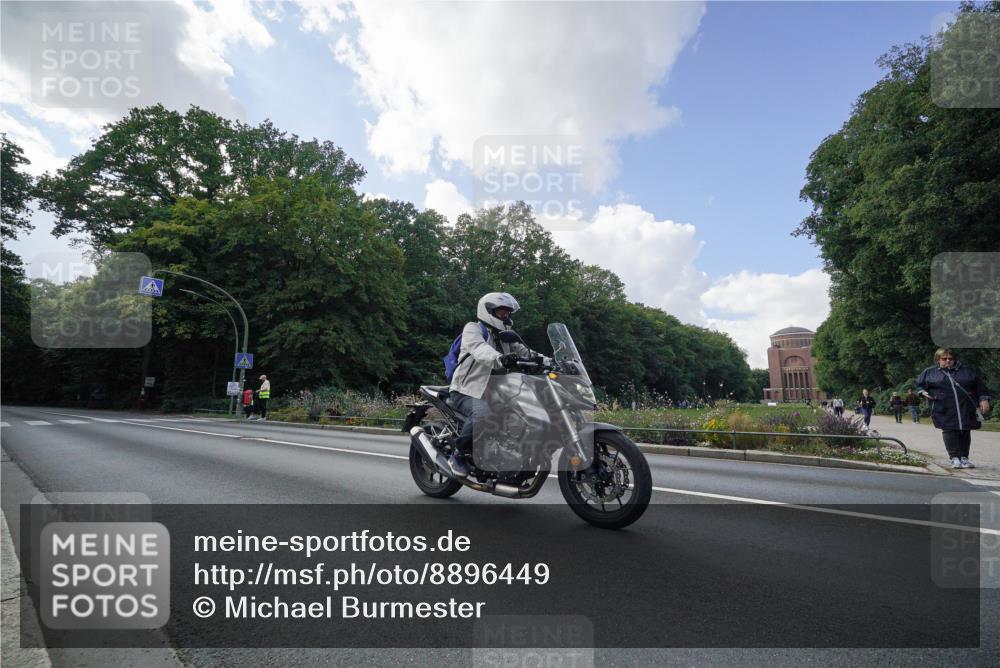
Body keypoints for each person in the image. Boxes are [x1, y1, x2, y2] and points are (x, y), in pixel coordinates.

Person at [447, 292, 545, 477]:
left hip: (497, 393)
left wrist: (551, 361)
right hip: (467, 390)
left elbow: (526, 352)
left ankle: (509, 456)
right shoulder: (473, 329)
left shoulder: (504, 337)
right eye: (501, 312)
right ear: (488, 311)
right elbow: (480, 350)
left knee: (527, 414)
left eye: (508, 312)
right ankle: (457, 455)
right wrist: (501, 358)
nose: (506, 316)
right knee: (482, 414)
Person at [916, 348, 991, 469]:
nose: (948, 361)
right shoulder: (929, 372)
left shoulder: (967, 371)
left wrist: (984, 399)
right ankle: (954, 458)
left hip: (965, 406)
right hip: (943, 407)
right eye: (944, 358)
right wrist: (921, 391)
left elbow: (980, 386)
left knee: (965, 431)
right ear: (938, 359)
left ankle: (964, 458)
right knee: (949, 430)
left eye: (950, 358)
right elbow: (919, 385)